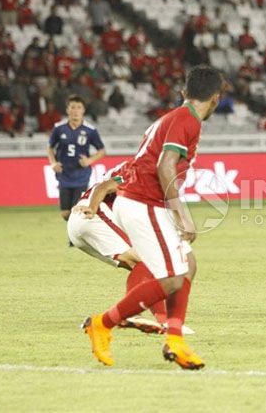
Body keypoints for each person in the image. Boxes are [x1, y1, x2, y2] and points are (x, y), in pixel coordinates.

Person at [81, 65, 223, 369]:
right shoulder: (188, 121)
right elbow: (165, 166)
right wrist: (182, 214)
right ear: (216, 99)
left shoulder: (173, 118)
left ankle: (175, 340)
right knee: (171, 279)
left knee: (188, 265)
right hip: (143, 202)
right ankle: (102, 323)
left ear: (185, 92)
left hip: (141, 201)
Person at [69, 161, 196, 335]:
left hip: (81, 224)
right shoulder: (141, 169)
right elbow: (104, 187)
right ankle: (158, 320)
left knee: (140, 266)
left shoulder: (144, 170)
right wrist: (91, 208)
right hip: (93, 215)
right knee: (147, 261)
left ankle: (143, 316)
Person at [47, 95, 106, 223]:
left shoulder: (90, 130)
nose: (75, 110)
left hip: (81, 175)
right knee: (65, 213)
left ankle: (73, 238)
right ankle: (74, 233)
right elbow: (50, 147)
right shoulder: (59, 128)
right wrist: (53, 163)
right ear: (67, 110)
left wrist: (89, 161)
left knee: (76, 210)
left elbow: (102, 150)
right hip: (64, 174)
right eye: (72, 107)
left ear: (83, 110)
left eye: (79, 107)